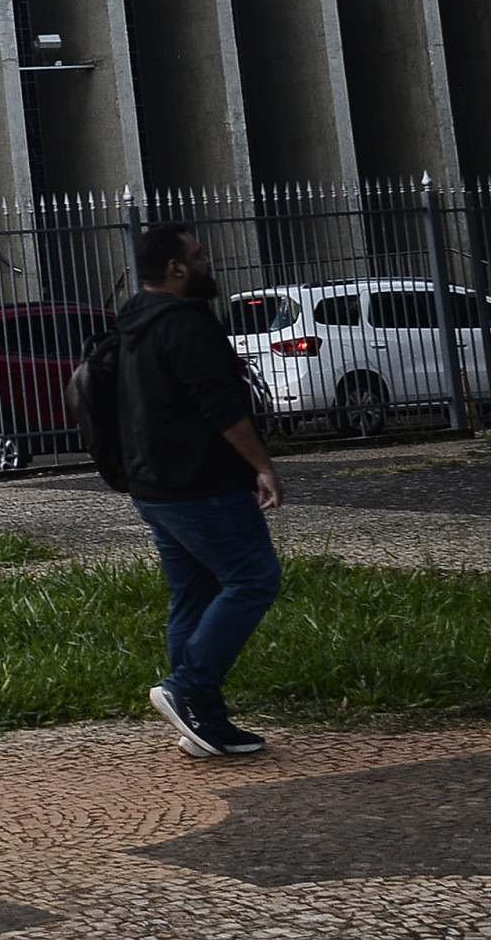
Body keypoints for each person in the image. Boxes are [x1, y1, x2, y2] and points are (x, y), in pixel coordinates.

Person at [119, 224, 284, 759]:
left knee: (193, 592)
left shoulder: (133, 323)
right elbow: (222, 408)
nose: (208, 261)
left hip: (153, 485)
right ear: (175, 268)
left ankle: (201, 720)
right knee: (253, 578)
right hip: (202, 484)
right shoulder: (187, 324)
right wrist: (262, 465)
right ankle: (188, 689)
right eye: (198, 254)